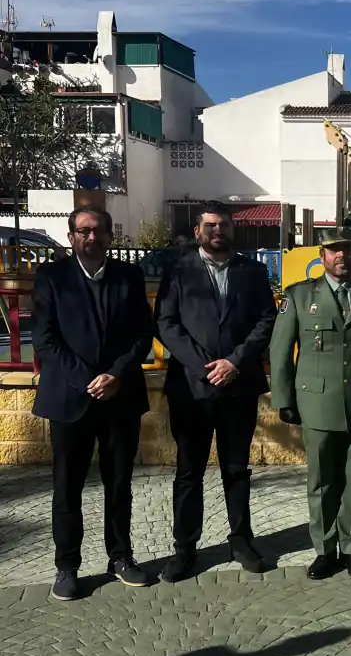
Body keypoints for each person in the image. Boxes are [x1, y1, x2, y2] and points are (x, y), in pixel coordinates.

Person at [32, 207, 153, 600]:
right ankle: (67, 566)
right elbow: (44, 339)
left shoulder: (129, 277)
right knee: (67, 487)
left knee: (119, 485)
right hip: (70, 398)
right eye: (83, 231)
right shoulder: (52, 278)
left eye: (98, 230)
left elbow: (143, 334)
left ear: (110, 236)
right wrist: (86, 379)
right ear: (71, 237)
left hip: (120, 397)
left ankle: (120, 557)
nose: (91, 237)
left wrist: (116, 375)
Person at [154, 203, 276, 581]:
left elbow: (266, 320)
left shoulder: (252, 272)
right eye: (210, 225)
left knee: (237, 469)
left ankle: (241, 540)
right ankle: (185, 549)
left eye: (223, 224)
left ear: (232, 229)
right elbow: (166, 323)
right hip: (191, 388)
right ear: (197, 231)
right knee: (188, 471)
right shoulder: (178, 271)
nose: (217, 230)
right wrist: (204, 367)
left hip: (239, 385)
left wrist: (234, 362)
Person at [269, 227, 351, 579]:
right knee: (322, 480)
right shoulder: (299, 296)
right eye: (333, 250)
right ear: (322, 256)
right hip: (317, 403)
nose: (341, 255)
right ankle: (325, 551)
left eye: (347, 249)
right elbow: (280, 350)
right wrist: (284, 398)